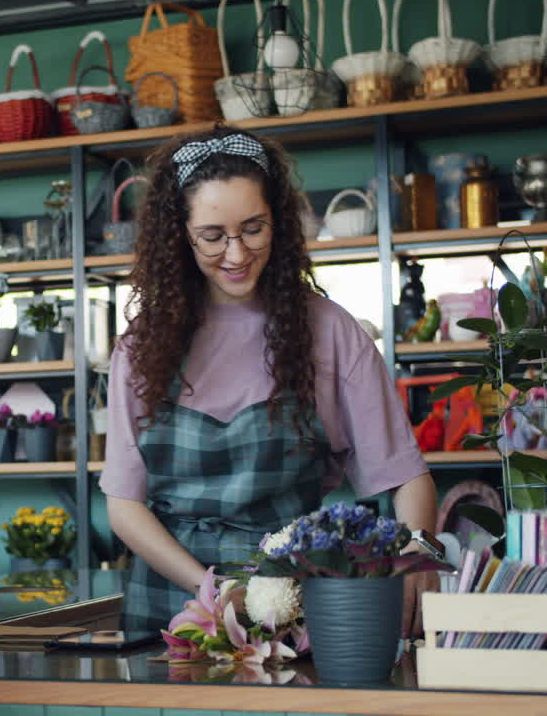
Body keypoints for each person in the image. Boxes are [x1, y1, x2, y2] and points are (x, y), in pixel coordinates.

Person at [100, 125, 437, 634]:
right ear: (180, 236)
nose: (236, 254)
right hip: (168, 609)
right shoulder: (142, 349)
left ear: (278, 222)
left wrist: (419, 546)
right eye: (213, 237)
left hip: (289, 603)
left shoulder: (330, 333)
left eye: (253, 229)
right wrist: (211, 590)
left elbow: (406, 477)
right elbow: (124, 506)